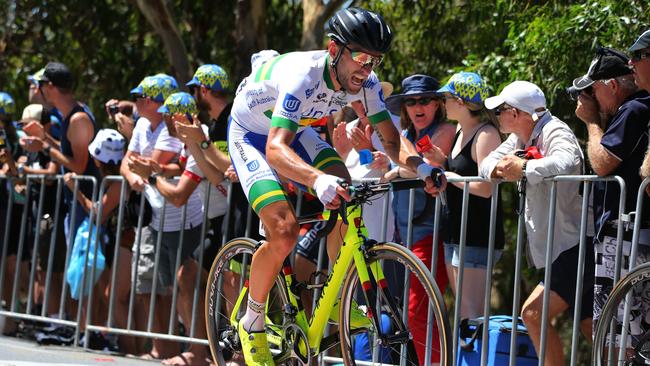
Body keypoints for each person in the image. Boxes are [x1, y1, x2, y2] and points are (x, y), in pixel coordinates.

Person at [228, 7, 437, 365]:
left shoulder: (366, 84)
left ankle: (338, 299)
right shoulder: (303, 76)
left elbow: (389, 139)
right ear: (334, 50)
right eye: (359, 57)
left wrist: (423, 167)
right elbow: (276, 150)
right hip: (252, 135)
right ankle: (252, 319)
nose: (366, 68)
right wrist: (316, 178)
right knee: (283, 229)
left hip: (297, 131)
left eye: (375, 60)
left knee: (348, 196)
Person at [479, 81, 590, 366]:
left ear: (516, 113)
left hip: (575, 244)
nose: (497, 116)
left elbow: (567, 159)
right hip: (563, 246)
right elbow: (485, 165)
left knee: (533, 314)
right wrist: (503, 168)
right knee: (592, 327)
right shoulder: (518, 138)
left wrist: (524, 168)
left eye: (501, 110)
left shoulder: (555, 129)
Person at [573, 47, 650, 348]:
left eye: (592, 90)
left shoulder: (632, 109)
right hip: (630, 231)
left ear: (612, 86)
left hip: (626, 234)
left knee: (619, 336)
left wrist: (592, 121)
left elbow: (602, 161)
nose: (589, 99)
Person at [130, 91, 212, 366]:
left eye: (168, 116)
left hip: (209, 222)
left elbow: (178, 196)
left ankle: (202, 352)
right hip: (206, 221)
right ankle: (198, 350)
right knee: (185, 280)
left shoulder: (199, 143)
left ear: (179, 118)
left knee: (191, 280)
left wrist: (151, 176)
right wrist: (158, 169)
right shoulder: (188, 147)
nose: (164, 121)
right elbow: (178, 166)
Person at [382, 74, 455, 363]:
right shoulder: (403, 137)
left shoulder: (446, 129)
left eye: (424, 100)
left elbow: (432, 164)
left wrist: (399, 170)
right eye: (411, 101)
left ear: (437, 103)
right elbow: (406, 161)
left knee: (416, 312)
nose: (417, 106)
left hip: (432, 234)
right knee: (414, 314)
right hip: (404, 238)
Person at [119, 74, 181, 360]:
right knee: (144, 283)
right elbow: (128, 163)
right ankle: (157, 346)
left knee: (165, 285)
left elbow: (155, 163)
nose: (136, 103)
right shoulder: (143, 124)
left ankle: (167, 348)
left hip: (171, 214)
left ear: (154, 101)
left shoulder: (170, 126)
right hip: (148, 213)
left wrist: (142, 168)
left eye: (141, 98)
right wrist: (133, 176)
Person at [435, 71, 505, 320]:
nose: (444, 103)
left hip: (477, 235)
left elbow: (486, 188)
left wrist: (451, 178)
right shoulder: (459, 130)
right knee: (464, 316)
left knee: (471, 316)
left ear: (461, 102)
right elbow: (459, 173)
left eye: (447, 97)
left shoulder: (486, 134)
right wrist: (440, 164)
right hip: (456, 232)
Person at [63, 128, 130, 353]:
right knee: (104, 290)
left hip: (125, 241)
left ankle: (131, 345)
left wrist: (77, 192)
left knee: (114, 295)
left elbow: (98, 213)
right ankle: (99, 333)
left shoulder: (118, 182)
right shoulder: (112, 180)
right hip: (116, 239)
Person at [22, 62, 100, 245]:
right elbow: (68, 151)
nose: (39, 90)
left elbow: (79, 167)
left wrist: (46, 148)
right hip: (75, 202)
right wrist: (44, 138)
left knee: (82, 270)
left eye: (40, 85)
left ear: (50, 86)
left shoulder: (78, 119)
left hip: (86, 204)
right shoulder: (69, 116)